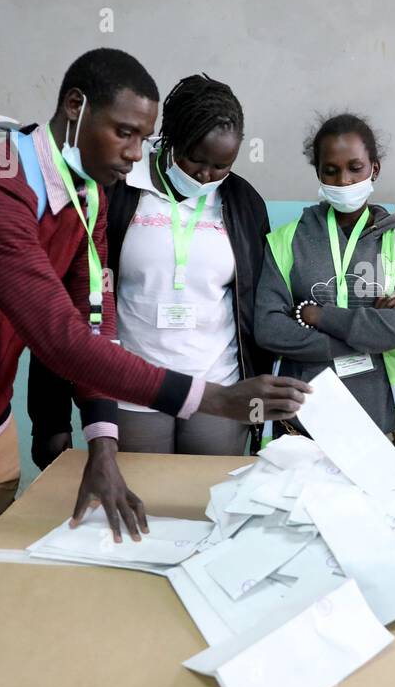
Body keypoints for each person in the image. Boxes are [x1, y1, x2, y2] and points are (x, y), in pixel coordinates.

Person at [0, 48, 306, 635]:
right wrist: (215, 399)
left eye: (144, 138)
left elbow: (93, 320)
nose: (136, 153)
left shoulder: (88, 194)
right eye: (126, 133)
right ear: (75, 108)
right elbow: (58, 339)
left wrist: (103, 444)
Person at [28, 74, 271, 462]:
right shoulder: (116, 188)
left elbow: (253, 302)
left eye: (221, 165)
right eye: (197, 160)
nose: (206, 175)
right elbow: (64, 297)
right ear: (170, 138)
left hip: (217, 381)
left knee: (205, 503)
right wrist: (50, 418)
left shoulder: (244, 203)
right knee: (141, 505)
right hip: (130, 383)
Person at [254, 113, 395, 445]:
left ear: (374, 169)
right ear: (318, 173)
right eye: (330, 170)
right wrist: (371, 332)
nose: (343, 180)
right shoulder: (287, 239)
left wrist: (315, 316)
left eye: (354, 167)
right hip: (300, 422)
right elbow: (269, 327)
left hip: (379, 420)